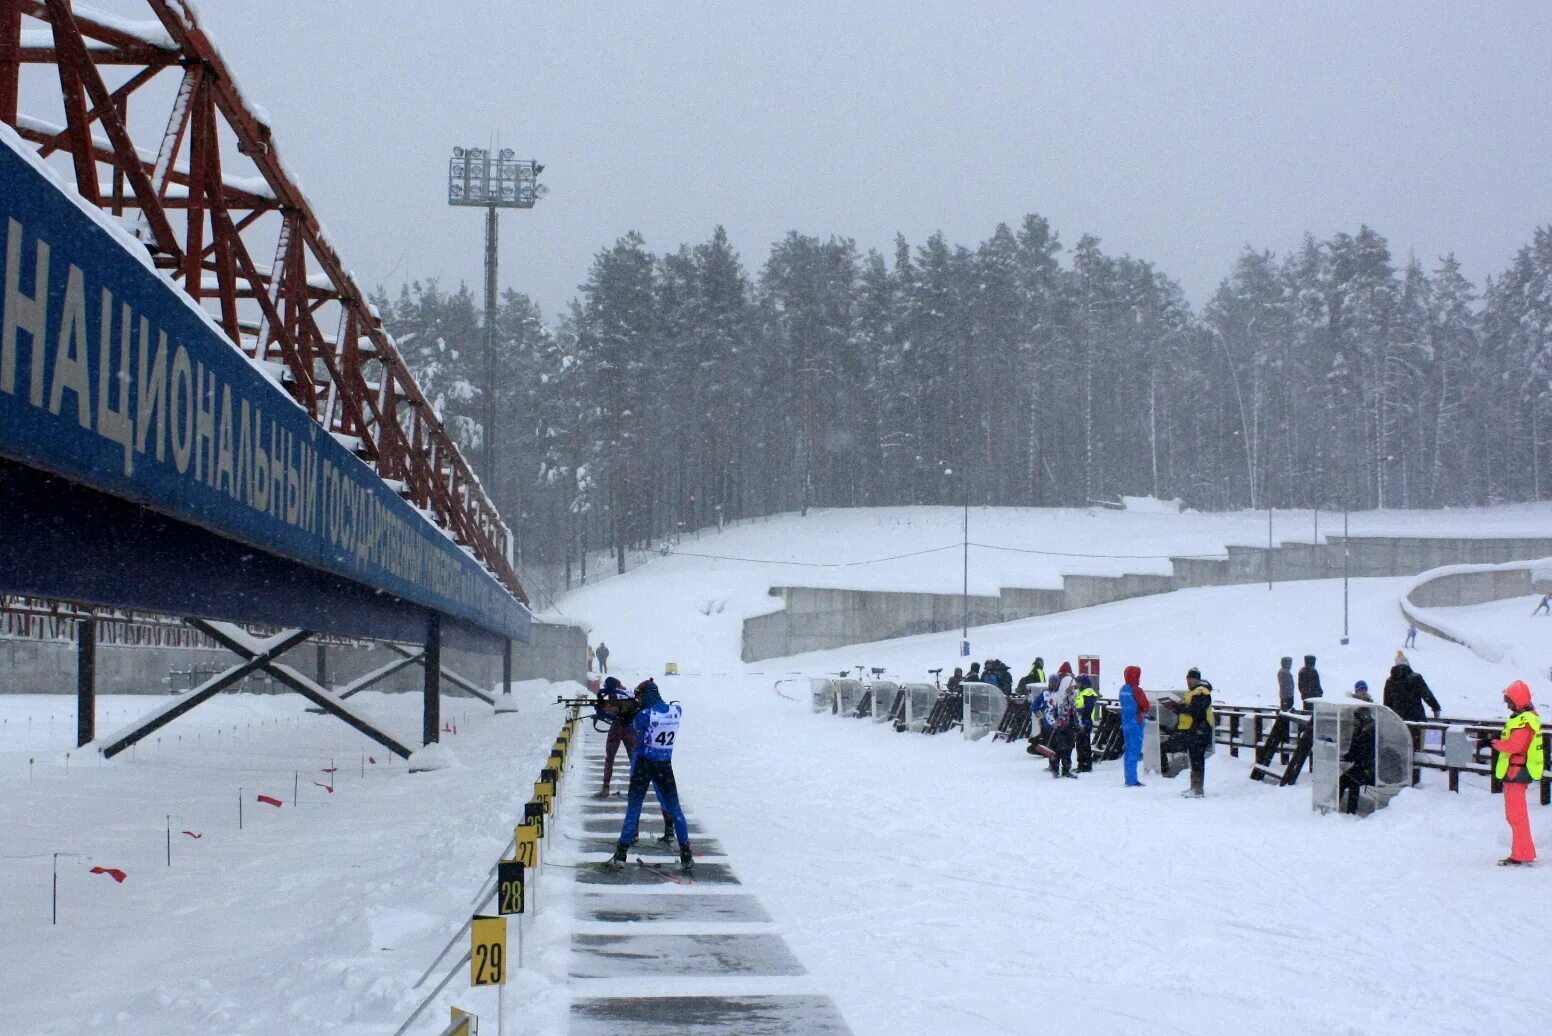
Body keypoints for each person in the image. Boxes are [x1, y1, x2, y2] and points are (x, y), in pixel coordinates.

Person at [607, 679, 694, 873]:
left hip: (644, 764)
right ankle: (686, 855)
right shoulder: (676, 711)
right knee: (676, 809)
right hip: (665, 764)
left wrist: (633, 709)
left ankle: (621, 855)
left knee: (634, 808)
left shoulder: (645, 715)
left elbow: (638, 727)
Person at [1487, 680, 1542, 866]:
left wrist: (1496, 743)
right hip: (1516, 771)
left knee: (1516, 815)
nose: (1508, 705)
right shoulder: (1527, 718)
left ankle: (1522, 853)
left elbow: (1515, 746)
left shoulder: (1524, 721)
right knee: (1516, 815)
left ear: (1517, 700)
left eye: (1509, 701)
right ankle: (1523, 851)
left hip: (1515, 772)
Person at [1162, 667, 1214, 798]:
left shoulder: (1201, 692)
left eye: (1191, 679)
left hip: (1199, 730)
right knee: (1194, 758)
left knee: (1197, 759)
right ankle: (1194, 787)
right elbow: (1188, 711)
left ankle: (1197, 789)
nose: (1189, 682)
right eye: (1188, 679)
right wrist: (1175, 708)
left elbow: (1197, 711)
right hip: (1192, 731)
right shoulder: (1192, 693)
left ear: (1197, 679)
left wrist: (1179, 707)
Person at [595, 677, 638, 798]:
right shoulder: (628, 693)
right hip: (629, 728)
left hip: (616, 728)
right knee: (633, 758)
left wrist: (599, 709)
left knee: (610, 758)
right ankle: (635, 789)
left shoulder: (610, 694)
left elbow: (608, 712)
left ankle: (605, 788)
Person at [1339, 706, 1378, 814]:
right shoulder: (1359, 731)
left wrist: (1354, 757)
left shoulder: (1372, 733)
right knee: (1341, 781)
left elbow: (1369, 755)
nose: (1354, 722)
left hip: (1370, 769)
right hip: (1359, 767)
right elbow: (1354, 751)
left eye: (1356, 719)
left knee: (1353, 782)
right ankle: (1335, 808)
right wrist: (1346, 756)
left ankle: (1351, 812)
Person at [1042, 669, 1078, 778]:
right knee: (1056, 750)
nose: (1072, 690)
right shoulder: (1055, 697)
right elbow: (1048, 711)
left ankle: (1066, 769)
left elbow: (1075, 712)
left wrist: (1078, 723)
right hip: (1058, 728)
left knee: (1068, 749)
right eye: (1070, 688)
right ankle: (1055, 770)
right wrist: (1053, 722)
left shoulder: (1071, 698)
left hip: (1069, 727)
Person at [1119, 665, 1150, 787]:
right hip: (1136, 723)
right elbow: (1146, 706)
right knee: (1134, 752)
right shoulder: (1137, 690)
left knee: (1128, 751)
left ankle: (1128, 778)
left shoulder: (1123, 689)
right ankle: (1132, 780)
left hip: (1125, 723)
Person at [1074, 674, 1100, 772]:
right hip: (1080, 721)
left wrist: (1078, 710)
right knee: (1079, 744)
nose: (1077, 684)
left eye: (1079, 682)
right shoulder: (1081, 692)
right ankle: (1081, 764)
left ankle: (1086, 765)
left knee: (1084, 744)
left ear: (1084, 683)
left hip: (1086, 721)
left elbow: (1088, 708)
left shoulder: (1089, 693)